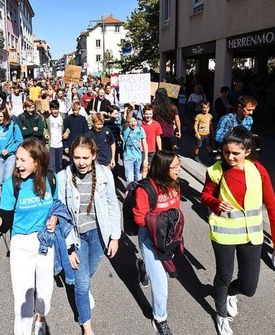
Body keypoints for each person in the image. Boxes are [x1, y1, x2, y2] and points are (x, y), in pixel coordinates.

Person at [201, 127, 275, 335]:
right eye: (226, 152)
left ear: (247, 151)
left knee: (249, 287)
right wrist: (215, 203)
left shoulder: (258, 170)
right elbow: (205, 195)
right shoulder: (215, 170)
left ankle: (232, 292)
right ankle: (221, 315)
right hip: (224, 233)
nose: (229, 157)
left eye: (235, 153)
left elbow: (273, 205)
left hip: (252, 235)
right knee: (224, 276)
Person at [0, 139, 59, 335]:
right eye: (17, 159)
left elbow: (56, 206)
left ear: (37, 162)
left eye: (23, 160)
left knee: (45, 292)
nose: (18, 164)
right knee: (23, 301)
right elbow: (4, 225)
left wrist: (55, 218)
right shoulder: (11, 185)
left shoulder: (51, 179)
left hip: (45, 243)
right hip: (21, 246)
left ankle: (40, 320)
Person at [57, 137, 121, 335]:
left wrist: (115, 237)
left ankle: (81, 289)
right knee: (82, 281)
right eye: (77, 157)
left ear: (93, 156)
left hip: (99, 235)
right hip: (76, 237)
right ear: (71, 156)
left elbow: (112, 204)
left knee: (86, 274)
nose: (81, 162)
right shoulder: (63, 177)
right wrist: (68, 247)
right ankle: (87, 327)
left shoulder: (104, 174)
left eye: (85, 157)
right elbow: (61, 213)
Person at [132, 151, 182, 335]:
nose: (179, 169)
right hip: (150, 239)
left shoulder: (175, 184)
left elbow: (176, 209)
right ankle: (160, 318)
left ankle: (143, 267)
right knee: (161, 282)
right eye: (175, 167)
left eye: (179, 165)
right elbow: (139, 218)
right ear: (162, 168)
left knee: (155, 270)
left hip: (168, 238)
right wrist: (160, 221)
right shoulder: (145, 189)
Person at [0, 106, 24, 188]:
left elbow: (19, 141)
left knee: (8, 178)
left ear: (5, 116)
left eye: (1, 116)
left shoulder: (13, 126)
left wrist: (9, 149)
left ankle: (6, 195)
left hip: (10, 156)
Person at [122, 114, 149, 186]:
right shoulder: (126, 129)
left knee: (138, 178)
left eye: (134, 121)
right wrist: (130, 108)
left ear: (137, 121)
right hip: (128, 157)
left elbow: (145, 144)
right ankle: (130, 194)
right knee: (129, 178)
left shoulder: (140, 130)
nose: (133, 123)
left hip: (138, 157)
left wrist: (145, 158)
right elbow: (126, 119)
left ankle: (138, 193)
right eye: (131, 121)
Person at [141, 105, 163, 175]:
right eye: (146, 114)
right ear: (143, 114)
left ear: (152, 114)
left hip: (152, 150)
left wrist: (160, 150)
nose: (148, 116)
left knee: (151, 168)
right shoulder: (140, 124)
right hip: (142, 150)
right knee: (144, 167)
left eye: (150, 114)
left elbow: (158, 137)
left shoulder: (156, 124)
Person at [45, 100, 65, 173]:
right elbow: (45, 127)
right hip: (51, 144)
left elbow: (67, 126)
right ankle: (53, 180)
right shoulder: (47, 118)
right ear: (50, 109)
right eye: (53, 109)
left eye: (56, 109)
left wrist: (67, 132)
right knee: (51, 164)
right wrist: (45, 133)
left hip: (60, 143)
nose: (55, 111)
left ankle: (59, 179)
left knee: (59, 164)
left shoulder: (62, 116)